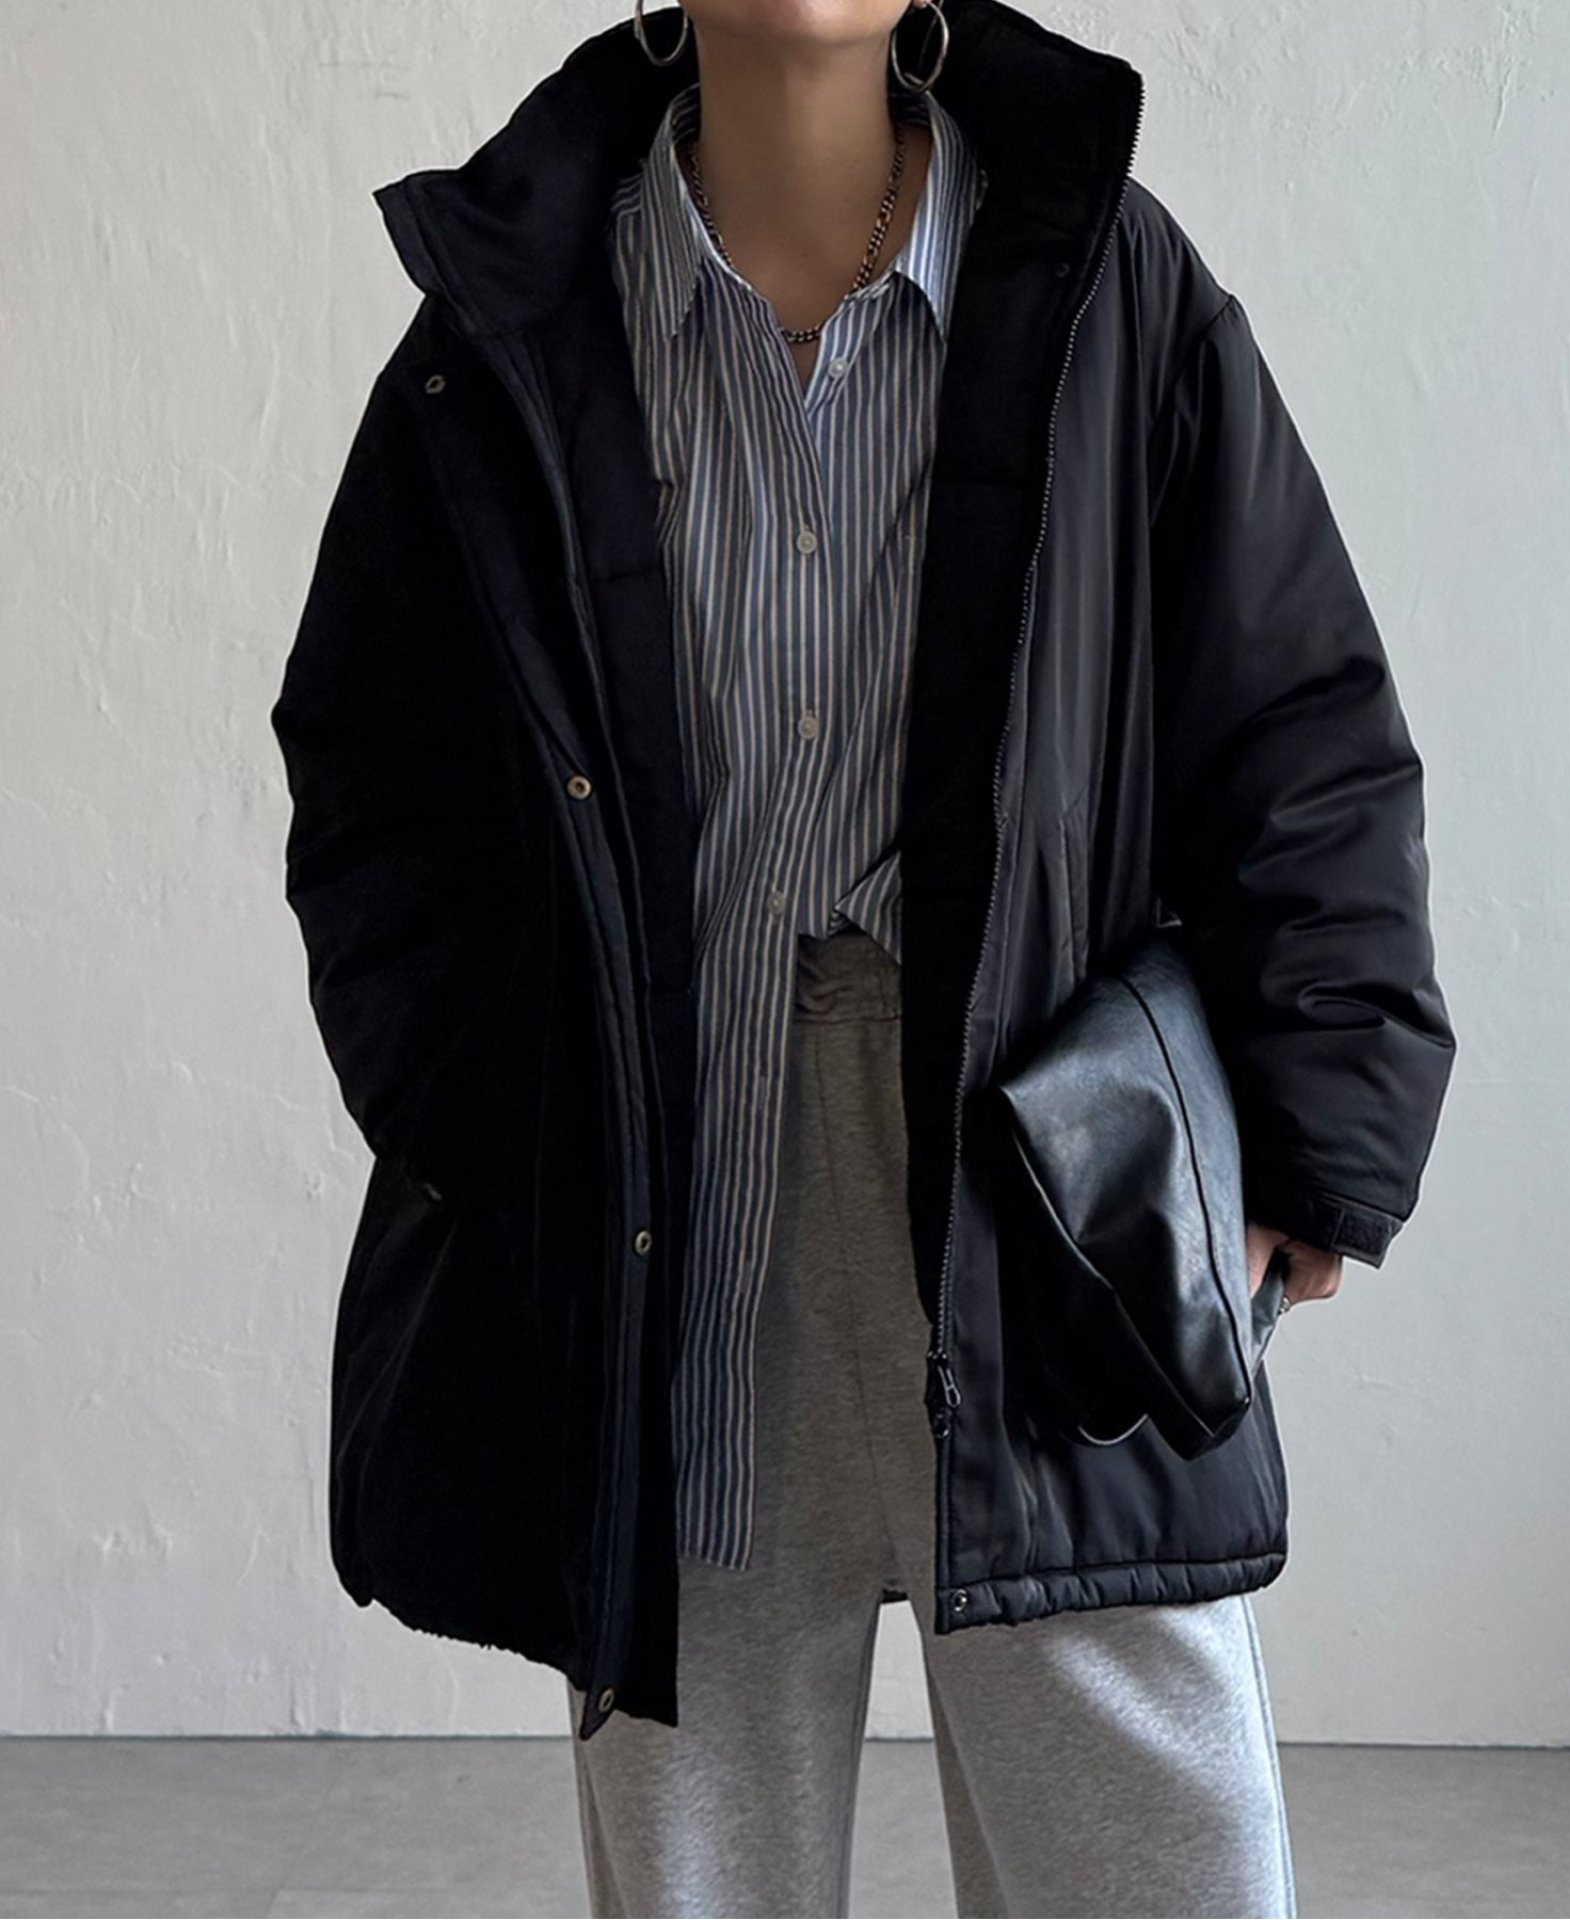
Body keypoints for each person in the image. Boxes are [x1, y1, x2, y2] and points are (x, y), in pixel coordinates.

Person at [270, 0, 1456, 1913]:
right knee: (702, 1872)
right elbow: (377, 777)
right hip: (680, 1215)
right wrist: (504, 1135)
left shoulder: (1102, 277)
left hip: (1048, 1202)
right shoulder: (522, 313)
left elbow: (1299, 722)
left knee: (1164, 1862)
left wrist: (1319, 1146)